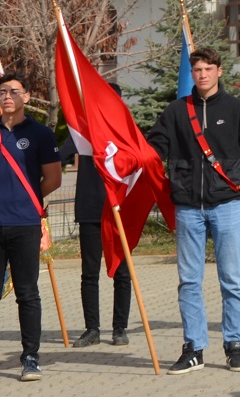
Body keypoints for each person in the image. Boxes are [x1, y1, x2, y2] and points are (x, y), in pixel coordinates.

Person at [146, 48, 240, 375]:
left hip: (227, 206)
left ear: (219, 71)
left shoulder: (239, 110)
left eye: (207, 69)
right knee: (189, 281)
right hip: (188, 208)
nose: (201, 75)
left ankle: (234, 345)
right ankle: (194, 347)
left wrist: (234, 176)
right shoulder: (175, 112)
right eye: (196, 69)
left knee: (229, 278)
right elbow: (153, 150)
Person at [60, 93, 135, 348]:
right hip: (90, 208)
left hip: (119, 209)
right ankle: (92, 329)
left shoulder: (126, 130)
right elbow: (59, 156)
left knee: (122, 272)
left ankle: (120, 328)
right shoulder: (83, 131)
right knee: (89, 273)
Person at [0, 74, 61, 383]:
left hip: (24, 224)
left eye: (14, 91)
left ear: (26, 96)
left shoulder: (39, 134)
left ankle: (30, 357)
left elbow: (53, 178)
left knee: (27, 293)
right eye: (2, 92)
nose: (7, 96)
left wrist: (29, 200)